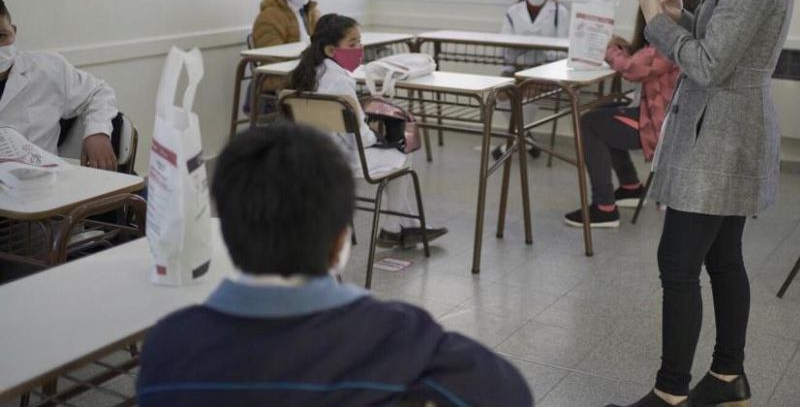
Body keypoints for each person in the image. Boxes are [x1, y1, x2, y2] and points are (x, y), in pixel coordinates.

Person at [137, 125, 533, 407]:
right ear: (342, 239)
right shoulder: (401, 338)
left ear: (226, 232)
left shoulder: (167, 349)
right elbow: (511, 395)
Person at [612, 0, 800, 406]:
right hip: (729, 129)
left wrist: (654, 23)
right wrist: (680, 17)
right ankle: (726, 378)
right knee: (722, 258)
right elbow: (725, 44)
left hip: (719, 136)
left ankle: (670, 392)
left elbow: (712, 65)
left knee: (678, 263)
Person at [288, 13, 447, 248]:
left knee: (392, 154)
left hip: (310, 156)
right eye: (352, 44)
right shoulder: (341, 82)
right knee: (403, 151)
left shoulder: (309, 73)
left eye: (360, 42)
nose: (359, 49)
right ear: (331, 50)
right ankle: (392, 227)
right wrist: (376, 134)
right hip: (343, 159)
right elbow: (359, 138)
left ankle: (405, 225)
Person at [563, 0, 693, 228]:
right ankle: (630, 187)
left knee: (590, 123)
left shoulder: (672, 37)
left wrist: (609, 48)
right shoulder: (678, 31)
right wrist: (622, 47)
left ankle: (604, 207)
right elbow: (641, 61)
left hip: (660, 126)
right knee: (604, 113)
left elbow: (632, 69)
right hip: (659, 116)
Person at [0, 0, 118, 169]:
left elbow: (98, 92)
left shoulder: (48, 69)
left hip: (44, 177)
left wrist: (97, 132)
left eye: (1, 36)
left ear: (14, 31)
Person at [492, 0, 570, 160]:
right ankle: (524, 137)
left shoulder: (559, 12)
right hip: (517, 67)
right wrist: (516, 59)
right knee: (501, 92)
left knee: (528, 92)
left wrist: (541, 53)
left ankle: (515, 139)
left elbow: (562, 50)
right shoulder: (513, 11)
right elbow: (505, 44)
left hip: (547, 70)